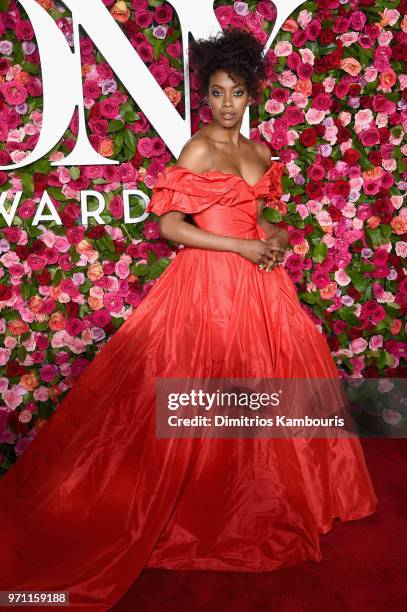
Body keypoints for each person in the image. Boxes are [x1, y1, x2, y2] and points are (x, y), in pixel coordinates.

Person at [0, 28, 377, 611]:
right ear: (206, 96)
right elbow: (172, 228)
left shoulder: (260, 153)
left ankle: (261, 498)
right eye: (217, 93)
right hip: (208, 288)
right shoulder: (198, 149)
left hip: (261, 287)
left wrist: (272, 237)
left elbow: (260, 220)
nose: (226, 104)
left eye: (237, 93)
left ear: (253, 94)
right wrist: (242, 249)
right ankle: (204, 504)